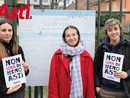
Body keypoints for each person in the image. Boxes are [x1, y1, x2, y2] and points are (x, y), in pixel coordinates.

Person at [48, 25, 95, 98]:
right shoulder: (57, 55)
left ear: (78, 36)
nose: (71, 38)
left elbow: (90, 83)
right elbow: (53, 80)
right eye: (68, 36)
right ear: (65, 38)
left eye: (73, 34)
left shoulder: (87, 56)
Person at [94, 18, 130, 98]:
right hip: (105, 91)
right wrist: (97, 86)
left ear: (120, 30)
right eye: (110, 30)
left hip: (124, 90)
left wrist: (127, 74)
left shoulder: (128, 46)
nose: (113, 32)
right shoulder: (101, 47)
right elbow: (96, 67)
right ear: (106, 32)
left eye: (116, 29)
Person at [0, 18, 29, 98]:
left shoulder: (17, 48)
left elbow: (23, 73)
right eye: (3, 30)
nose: (7, 33)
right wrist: (5, 91)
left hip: (18, 91)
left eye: (10, 30)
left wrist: (25, 69)